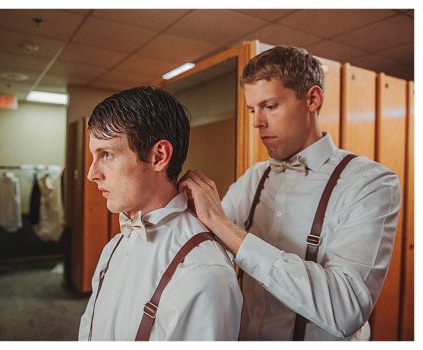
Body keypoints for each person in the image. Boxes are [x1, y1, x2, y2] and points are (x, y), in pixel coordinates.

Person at [180, 46, 401, 340]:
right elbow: (202, 246)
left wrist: (224, 226)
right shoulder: (254, 178)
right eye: (252, 109)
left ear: (312, 99)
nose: (257, 121)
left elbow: (345, 309)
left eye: (270, 106)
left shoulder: (370, 183)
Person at [77, 86, 242, 341]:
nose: (92, 173)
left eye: (107, 154)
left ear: (158, 156)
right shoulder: (114, 245)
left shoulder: (202, 271)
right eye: (94, 156)